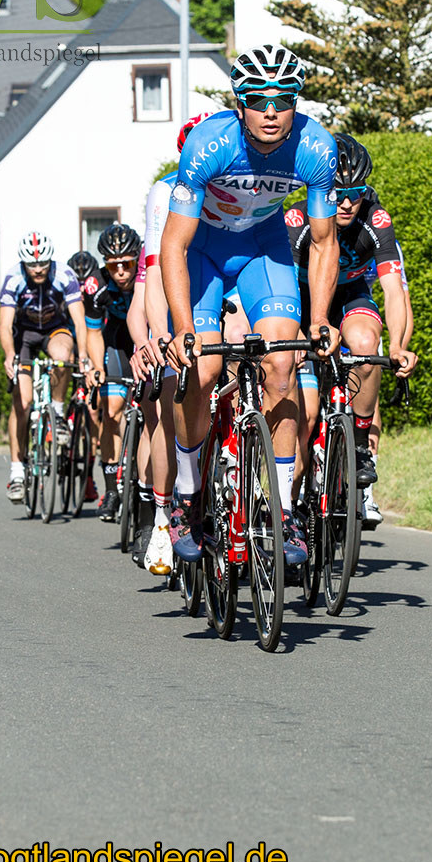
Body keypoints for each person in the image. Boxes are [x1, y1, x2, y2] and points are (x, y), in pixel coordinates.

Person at [160, 45, 341, 566]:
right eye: (257, 99)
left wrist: (321, 319)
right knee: (203, 364)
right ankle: (187, 496)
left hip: (263, 251)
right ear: (239, 104)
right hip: (203, 253)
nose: (269, 110)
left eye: (282, 100)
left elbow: (325, 242)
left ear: (295, 104)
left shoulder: (316, 148)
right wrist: (180, 328)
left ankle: (283, 513)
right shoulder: (207, 143)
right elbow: (173, 245)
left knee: (282, 363)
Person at [285, 134, 417, 499]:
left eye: (355, 193)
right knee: (308, 413)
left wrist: (397, 344)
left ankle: (359, 445)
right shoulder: (298, 219)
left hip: (351, 297)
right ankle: (289, 495)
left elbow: (394, 290)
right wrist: (296, 335)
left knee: (363, 344)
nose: (345, 203)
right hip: (303, 300)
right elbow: (283, 287)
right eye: (336, 193)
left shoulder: (376, 218)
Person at [128, 113, 214, 575]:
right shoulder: (167, 192)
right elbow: (155, 271)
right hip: (173, 293)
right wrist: (157, 335)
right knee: (167, 396)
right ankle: (165, 515)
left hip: (217, 292)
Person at [0, 232, 90, 502]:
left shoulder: (64, 275)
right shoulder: (13, 278)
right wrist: (9, 355)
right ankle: (17, 471)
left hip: (55, 329)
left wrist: (83, 354)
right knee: (23, 402)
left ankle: (58, 415)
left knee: (63, 355)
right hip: (23, 334)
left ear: (51, 260)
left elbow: (80, 320)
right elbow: (5, 325)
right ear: (23, 264)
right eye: (32, 265)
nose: (38, 269)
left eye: (43, 264)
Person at [84, 224, 150, 524]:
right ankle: (111, 489)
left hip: (147, 337)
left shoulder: (149, 275)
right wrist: (97, 368)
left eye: (127, 263)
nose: (121, 271)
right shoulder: (95, 285)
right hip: (116, 342)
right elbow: (93, 332)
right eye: (113, 265)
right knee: (110, 411)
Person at [67, 250, 102, 503]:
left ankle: (88, 474)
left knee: (92, 410)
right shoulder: (64, 297)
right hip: (68, 348)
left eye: (84, 284)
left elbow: (95, 334)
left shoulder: (95, 297)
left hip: (90, 349)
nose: (81, 290)